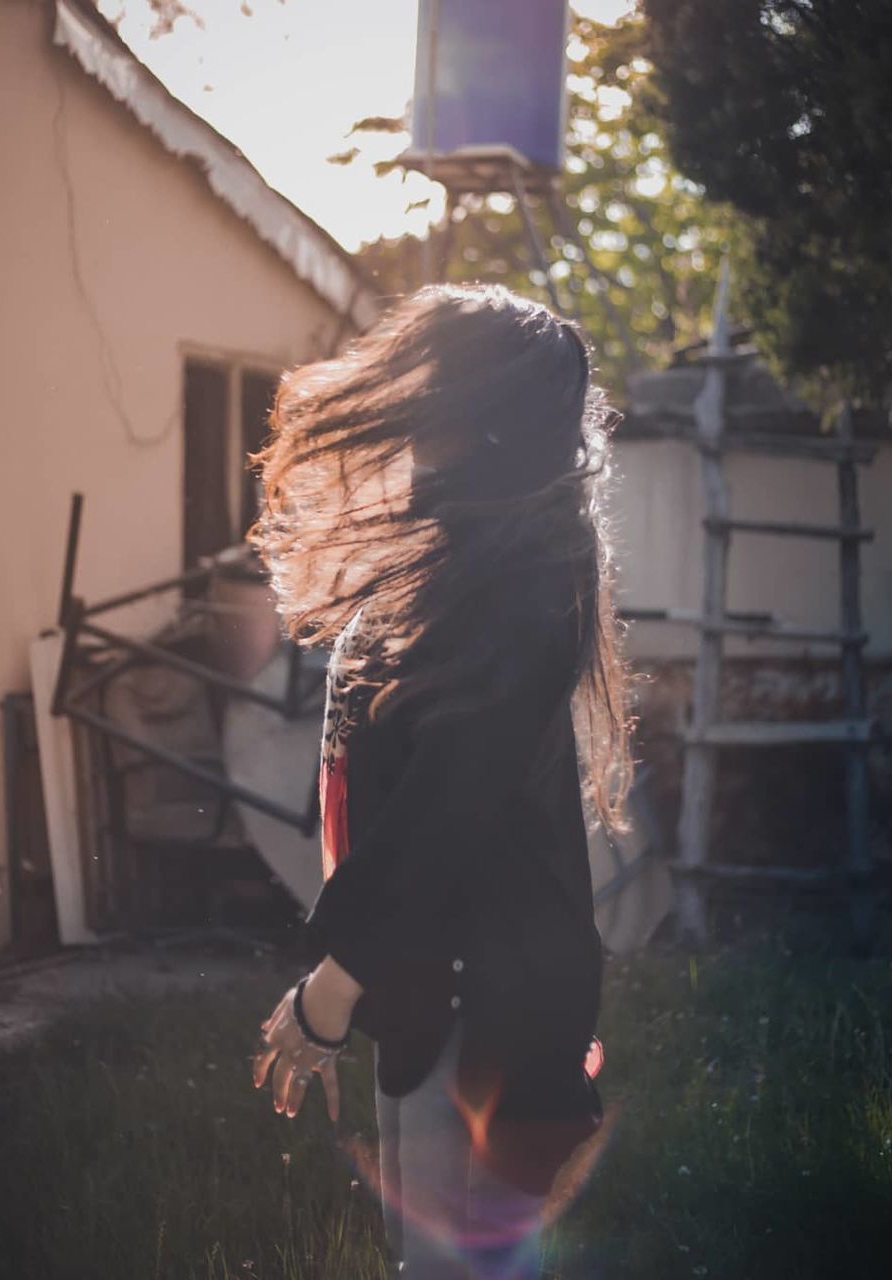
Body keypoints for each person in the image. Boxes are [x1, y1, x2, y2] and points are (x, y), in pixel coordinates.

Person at [249, 283, 633, 1279]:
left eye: (434, 381)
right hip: (444, 990)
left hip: (481, 1008)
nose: (410, 400)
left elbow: (439, 816)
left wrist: (329, 992)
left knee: (456, 1263)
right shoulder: (473, 557)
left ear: (480, 412)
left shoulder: (515, 587)